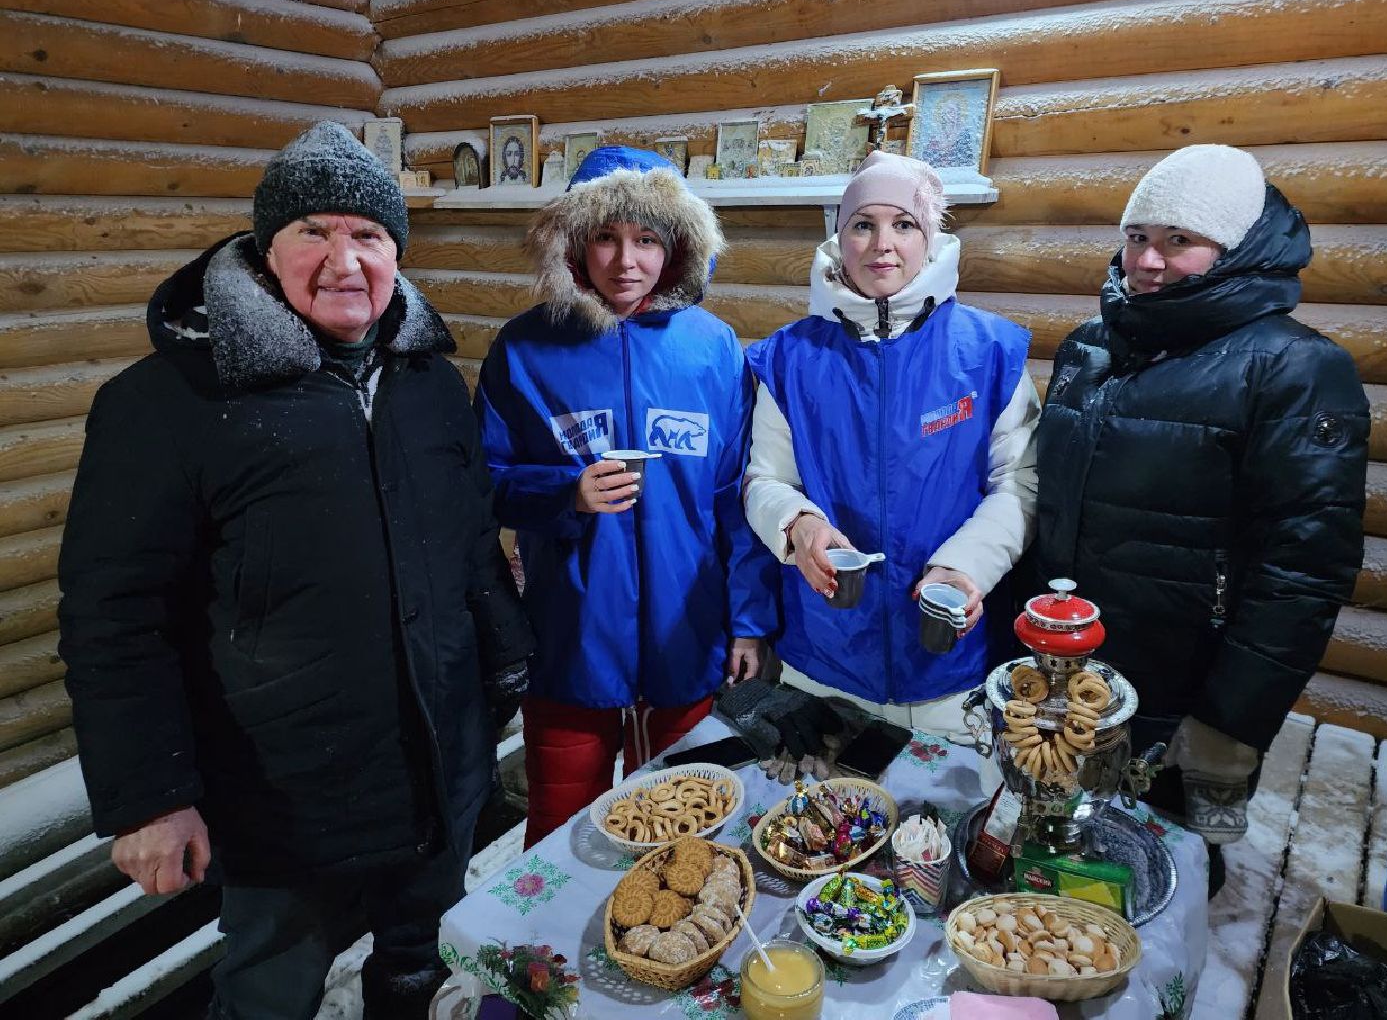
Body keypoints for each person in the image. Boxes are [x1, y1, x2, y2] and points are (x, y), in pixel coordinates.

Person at [58, 122, 534, 1018]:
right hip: (282, 790)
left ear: (396, 252)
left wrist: (506, 664)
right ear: (263, 249)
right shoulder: (168, 402)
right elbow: (114, 614)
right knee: (270, 989)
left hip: (440, 759)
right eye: (313, 232)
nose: (344, 260)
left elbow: (470, 542)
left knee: (421, 964)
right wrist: (149, 798)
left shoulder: (429, 379)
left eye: (368, 235)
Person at [1035, 144, 1369, 894]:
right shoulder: (1089, 348)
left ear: (1234, 247)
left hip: (1185, 687)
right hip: (1071, 672)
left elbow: (1306, 568)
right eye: (1137, 237)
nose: (1148, 261)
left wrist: (1229, 722)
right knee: (1054, 870)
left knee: (1163, 880)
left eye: (1179, 241)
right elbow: (1048, 505)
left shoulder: (1296, 369)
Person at [476, 146, 777, 847]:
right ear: (573, 243)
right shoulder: (524, 348)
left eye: (645, 239)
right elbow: (482, 482)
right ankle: (547, 958)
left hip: (688, 633)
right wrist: (563, 493)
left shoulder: (713, 348)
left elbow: (738, 495)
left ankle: (669, 956)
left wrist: (749, 620)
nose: (625, 261)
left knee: (686, 825)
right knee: (561, 831)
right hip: (571, 636)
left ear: (675, 247)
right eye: (606, 238)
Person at [744, 151, 1039, 743]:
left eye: (904, 225)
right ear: (839, 238)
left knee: (937, 832)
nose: (884, 244)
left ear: (928, 238)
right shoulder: (788, 358)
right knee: (826, 827)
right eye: (863, 224)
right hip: (823, 660)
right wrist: (796, 524)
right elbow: (763, 479)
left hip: (948, 665)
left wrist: (967, 566)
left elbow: (1020, 484)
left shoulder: (989, 352)